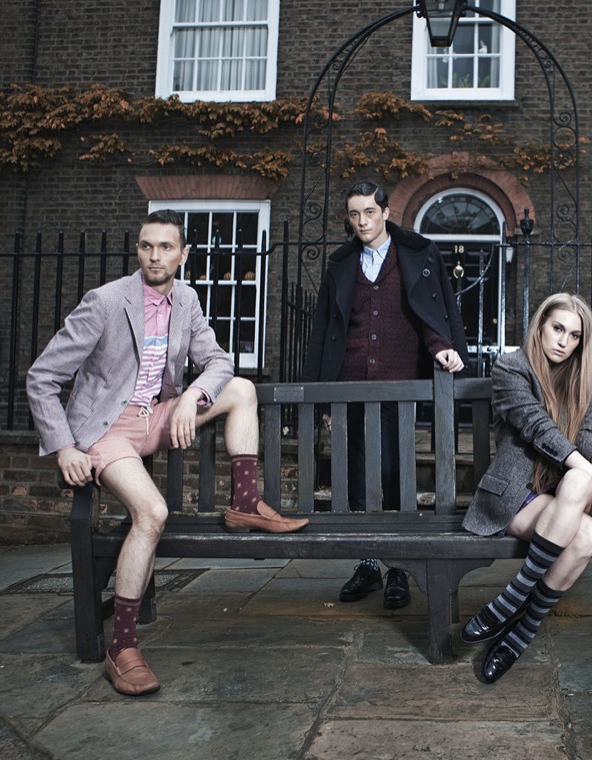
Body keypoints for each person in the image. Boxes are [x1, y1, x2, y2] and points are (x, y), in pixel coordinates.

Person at [27, 209, 307, 696]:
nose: (154, 256)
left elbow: (218, 361)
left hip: (156, 417)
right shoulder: (106, 302)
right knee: (153, 513)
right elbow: (42, 377)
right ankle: (122, 647)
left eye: (165, 247)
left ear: (183, 254)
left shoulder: (187, 300)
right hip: (107, 431)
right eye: (146, 246)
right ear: (138, 249)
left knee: (240, 388)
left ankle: (245, 504)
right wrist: (65, 447)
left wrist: (193, 396)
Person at [301, 181, 470, 610]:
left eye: (369, 213)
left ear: (386, 212)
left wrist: (445, 347)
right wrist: (323, 398)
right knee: (356, 477)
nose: (362, 222)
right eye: (354, 214)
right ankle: (368, 564)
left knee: (397, 475)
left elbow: (435, 311)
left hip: (399, 386)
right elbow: (323, 332)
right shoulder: (341, 264)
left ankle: (398, 567)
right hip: (350, 385)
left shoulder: (418, 254)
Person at [460, 293, 592, 684]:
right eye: (557, 328)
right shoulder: (511, 367)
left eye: (574, 336)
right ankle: (516, 605)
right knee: (582, 483)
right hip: (516, 498)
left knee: (590, 534)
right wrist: (588, 472)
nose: (563, 342)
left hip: (561, 498)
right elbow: (538, 427)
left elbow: (587, 432)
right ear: (540, 325)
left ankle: (520, 625)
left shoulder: (575, 377)